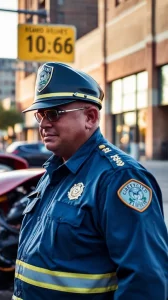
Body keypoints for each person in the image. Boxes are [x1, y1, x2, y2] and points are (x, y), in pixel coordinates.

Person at [12, 62, 168, 300]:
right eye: (40, 115)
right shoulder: (55, 171)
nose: (43, 124)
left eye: (53, 113)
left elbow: (146, 281)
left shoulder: (119, 178)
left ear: (91, 117)